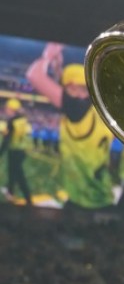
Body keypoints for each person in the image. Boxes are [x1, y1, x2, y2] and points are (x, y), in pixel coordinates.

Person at [25, 43, 116, 209]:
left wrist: (48, 56)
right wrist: (58, 66)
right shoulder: (97, 110)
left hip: (82, 200)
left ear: (73, 87)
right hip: (101, 195)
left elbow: (34, 75)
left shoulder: (76, 109)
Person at [2, 98, 33, 205]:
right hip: (22, 150)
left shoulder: (12, 121)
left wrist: (1, 153)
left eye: (7, 108)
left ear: (11, 109)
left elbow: (7, 140)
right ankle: (10, 192)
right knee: (13, 172)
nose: (5, 110)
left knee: (18, 174)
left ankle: (27, 198)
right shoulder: (23, 119)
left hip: (14, 150)